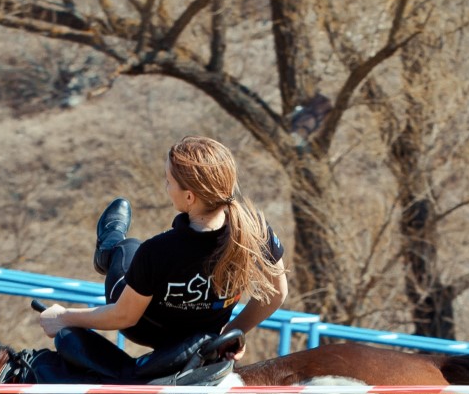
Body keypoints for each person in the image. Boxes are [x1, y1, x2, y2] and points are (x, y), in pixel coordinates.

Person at [37, 136, 287, 361]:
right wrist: (232, 332)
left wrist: (63, 317)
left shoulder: (157, 252)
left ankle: (109, 246)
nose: (166, 188)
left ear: (189, 197)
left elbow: (124, 316)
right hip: (205, 335)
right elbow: (277, 293)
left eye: (169, 182)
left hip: (148, 329)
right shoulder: (256, 231)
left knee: (128, 248)